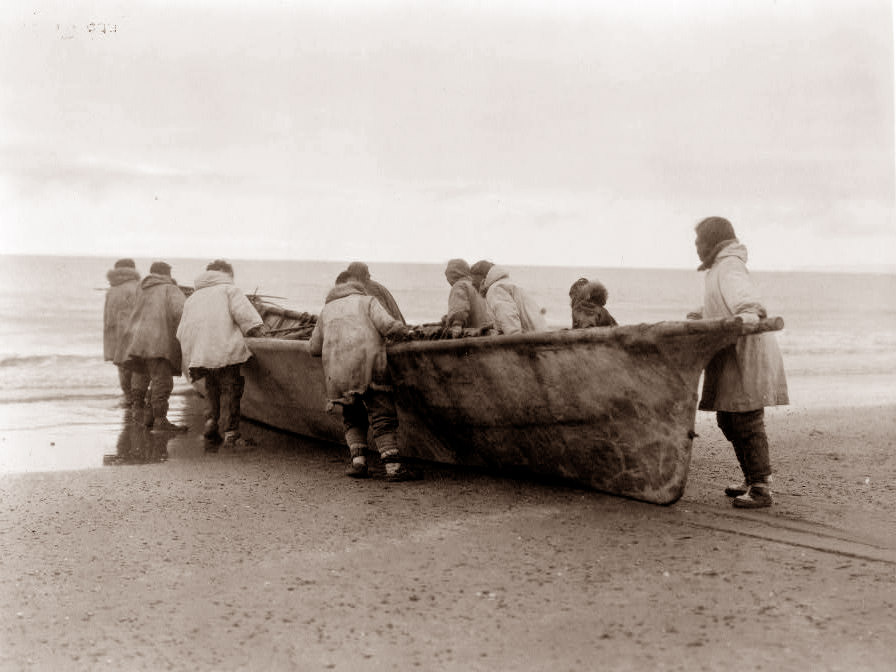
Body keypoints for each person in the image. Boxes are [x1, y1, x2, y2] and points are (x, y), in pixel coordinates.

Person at [690, 216, 789, 509]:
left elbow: (746, 302)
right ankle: (750, 478)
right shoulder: (719, 268)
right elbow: (723, 301)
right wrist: (701, 313)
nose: (696, 247)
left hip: (746, 351)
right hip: (729, 356)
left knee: (746, 419)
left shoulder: (729, 265)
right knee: (728, 419)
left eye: (699, 241)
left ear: (713, 241)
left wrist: (748, 314)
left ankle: (761, 488)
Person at [309, 274, 420, 481]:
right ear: (359, 287)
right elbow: (388, 326)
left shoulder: (326, 311)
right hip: (369, 367)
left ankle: (358, 464)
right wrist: (406, 332)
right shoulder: (368, 301)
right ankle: (393, 468)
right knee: (382, 415)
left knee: (351, 416)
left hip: (338, 375)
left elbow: (314, 348)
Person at [177, 260, 267, 449]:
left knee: (212, 388)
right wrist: (259, 334)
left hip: (200, 354)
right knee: (231, 390)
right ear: (226, 274)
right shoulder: (229, 290)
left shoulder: (193, 297)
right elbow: (248, 319)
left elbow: (181, 331)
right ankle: (231, 435)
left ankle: (211, 423)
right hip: (225, 351)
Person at [116, 261, 187, 432]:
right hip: (158, 342)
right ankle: (160, 420)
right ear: (168, 274)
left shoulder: (141, 288)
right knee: (163, 381)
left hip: (138, 343)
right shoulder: (170, 289)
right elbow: (182, 312)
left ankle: (146, 416)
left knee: (145, 376)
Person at [103, 258, 141, 407]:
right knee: (137, 367)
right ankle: (137, 399)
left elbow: (107, 316)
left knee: (122, 367)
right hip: (132, 334)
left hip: (115, 335)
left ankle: (128, 397)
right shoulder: (137, 287)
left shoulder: (111, 289)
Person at [473, 261, 548, 335]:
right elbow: (509, 316)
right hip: (539, 334)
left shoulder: (495, 289)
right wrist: (488, 327)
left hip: (531, 340)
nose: (472, 283)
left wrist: (512, 341)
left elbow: (510, 322)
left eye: (473, 278)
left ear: (481, 277)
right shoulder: (507, 283)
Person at [442, 258, 494, 337]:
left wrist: (456, 324)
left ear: (453, 274)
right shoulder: (477, 285)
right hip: (485, 333)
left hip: (472, 336)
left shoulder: (460, 285)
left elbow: (459, 308)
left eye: (448, 275)